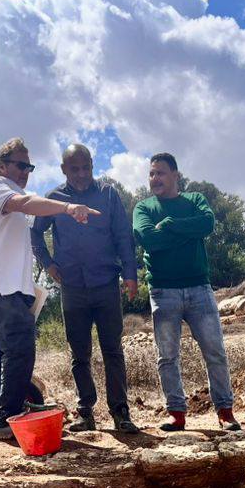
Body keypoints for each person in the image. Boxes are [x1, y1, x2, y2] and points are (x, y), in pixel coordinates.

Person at [0, 138, 102, 440]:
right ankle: (10, 419)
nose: (26, 172)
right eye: (20, 165)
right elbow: (27, 203)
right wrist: (68, 207)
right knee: (21, 350)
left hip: (2, 290)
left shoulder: (1, 190)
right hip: (1, 290)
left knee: (3, 356)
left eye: (29, 167)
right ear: (2, 166)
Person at [31, 144, 140, 434]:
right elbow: (35, 233)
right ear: (63, 169)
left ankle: (121, 412)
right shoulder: (54, 199)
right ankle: (85, 413)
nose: (81, 174)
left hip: (106, 284)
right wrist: (48, 264)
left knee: (113, 349)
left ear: (92, 164)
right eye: (74, 169)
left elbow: (123, 236)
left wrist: (130, 274)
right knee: (79, 353)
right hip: (72, 288)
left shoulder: (108, 194)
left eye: (86, 167)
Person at [132, 152, 240, 432]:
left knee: (215, 351)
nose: (154, 178)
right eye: (151, 173)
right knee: (167, 356)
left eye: (160, 173)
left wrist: (169, 225)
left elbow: (207, 223)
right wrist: (187, 233)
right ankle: (176, 414)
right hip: (162, 291)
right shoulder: (143, 207)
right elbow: (148, 239)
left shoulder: (194, 200)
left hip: (199, 288)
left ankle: (225, 412)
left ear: (175, 175)